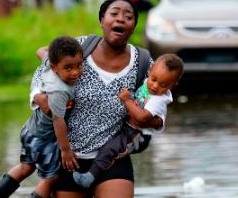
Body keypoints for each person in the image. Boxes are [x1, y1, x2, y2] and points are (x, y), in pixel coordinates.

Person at [31, 0, 161, 198]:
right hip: (68, 157)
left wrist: (154, 120)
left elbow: (161, 98)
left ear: (133, 26)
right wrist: (40, 99)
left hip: (112, 156)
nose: (121, 18)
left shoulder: (143, 63)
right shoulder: (79, 47)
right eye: (114, 13)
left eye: (128, 15)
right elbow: (42, 74)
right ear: (102, 20)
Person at [0, 36, 82, 198]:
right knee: (50, 178)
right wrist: (65, 150)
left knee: (26, 167)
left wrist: (50, 54)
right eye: (68, 68)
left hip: (30, 131)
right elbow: (58, 121)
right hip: (45, 138)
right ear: (55, 68)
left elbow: (41, 50)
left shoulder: (48, 63)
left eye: (79, 65)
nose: (75, 72)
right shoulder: (60, 90)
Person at [73, 53, 184, 188]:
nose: (155, 86)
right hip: (129, 128)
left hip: (137, 134)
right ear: (150, 71)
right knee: (107, 144)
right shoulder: (147, 83)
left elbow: (142, 118)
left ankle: (90, 176)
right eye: (154, 79)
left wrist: (126, 101)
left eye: (163, 85)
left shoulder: (158, 100)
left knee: (111, 149)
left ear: (172, 86)